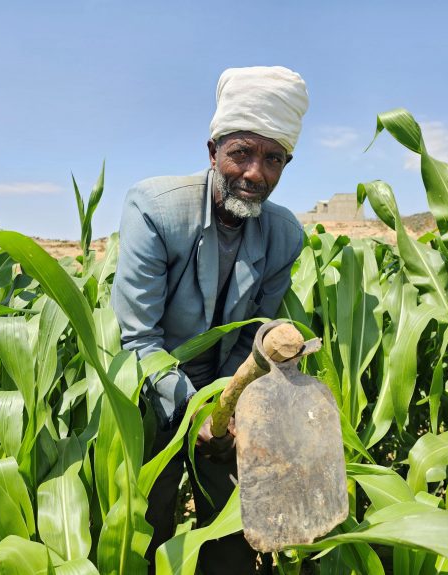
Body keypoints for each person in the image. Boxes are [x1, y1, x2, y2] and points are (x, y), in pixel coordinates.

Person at [112, 65, 308, 574]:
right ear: (212, 152)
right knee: (144, 527)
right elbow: (139, 338)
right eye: (241, 152)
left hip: (230, 404)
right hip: (150, 393)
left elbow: (256, 337)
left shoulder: (284, 235)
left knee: (233, 538)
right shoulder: (155, 210)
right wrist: (194, 412)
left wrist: (232, 413)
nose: (255, 173)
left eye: (273, 158)